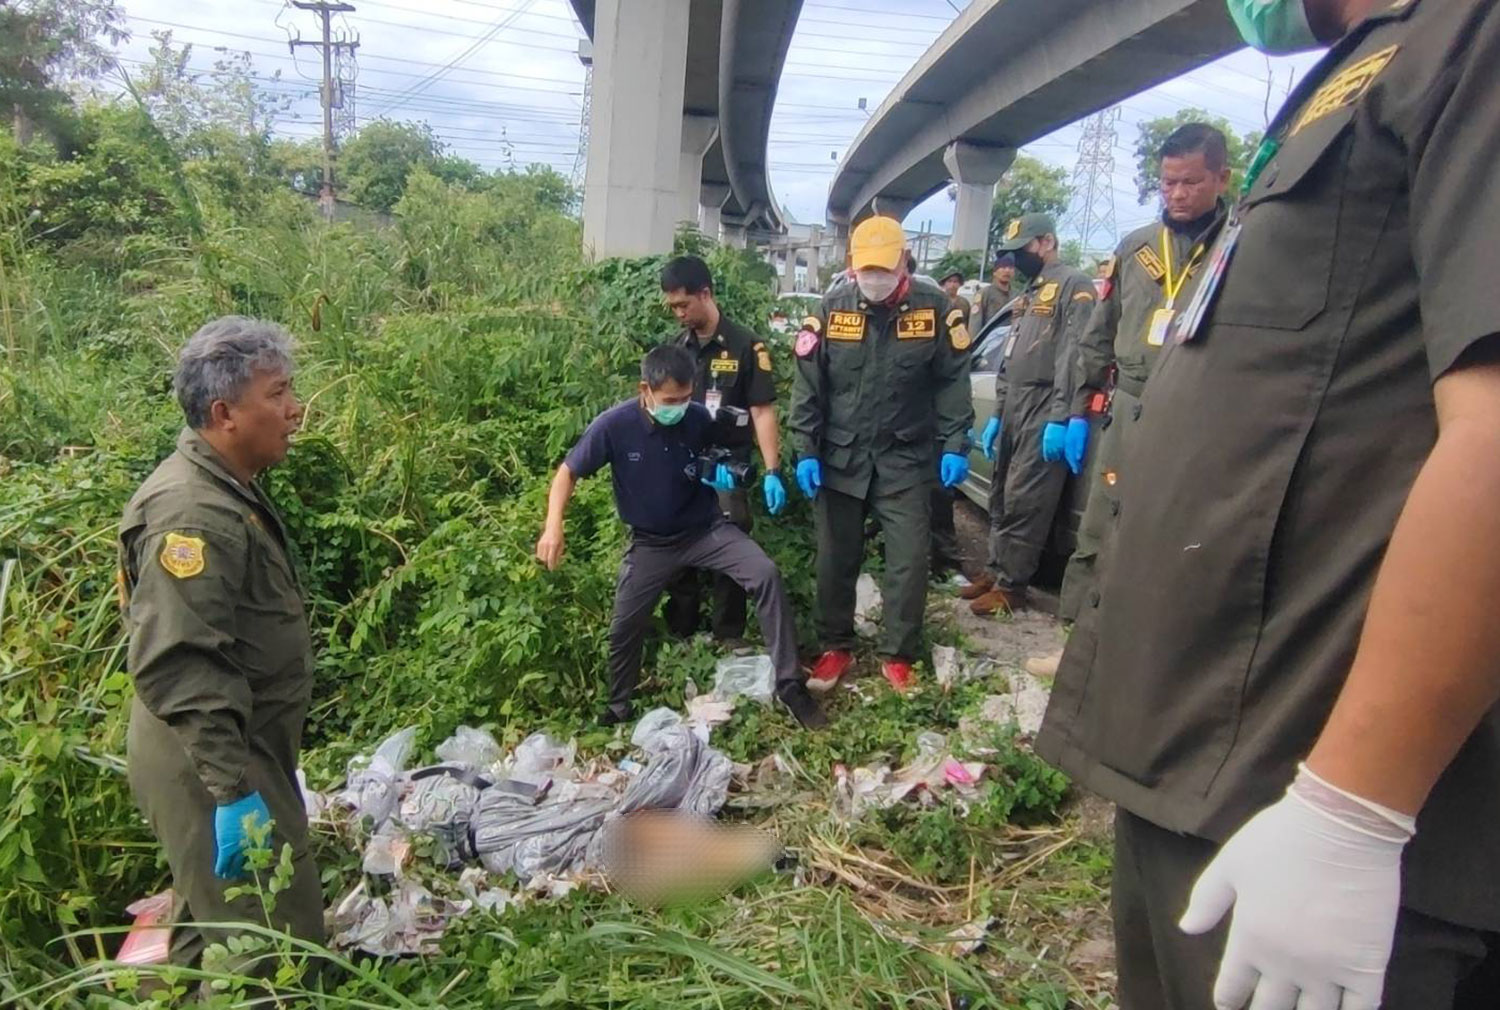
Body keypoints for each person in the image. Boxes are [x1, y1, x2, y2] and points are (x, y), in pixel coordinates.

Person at [1036, 1, 1500, 1007]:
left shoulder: (1472, 41)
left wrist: (1355, 805)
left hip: (1312, 789)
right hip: (1205, 770)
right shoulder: (1370, 67)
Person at [119, 316, 323, 971]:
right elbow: (180, 661)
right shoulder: (193, 516)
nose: (294, 410)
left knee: (216, 927)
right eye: (278, 394)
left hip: (233, 743)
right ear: (224, 413)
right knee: (269, 948)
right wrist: (234, 791)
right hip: (211, 755)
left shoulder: (222, 490)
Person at [536, 345, 825, 730]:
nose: (679, 406)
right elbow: (566, 473)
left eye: (686, 397)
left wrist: (722, 470)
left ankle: (791, 685)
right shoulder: (615, 425)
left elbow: (719, 454)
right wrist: (554, 525)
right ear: (646, 389)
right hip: (652, 543)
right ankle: (618, 706)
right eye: (671, 399)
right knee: (625, 624)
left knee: (765, 573)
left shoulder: (696, 418)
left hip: (705, 530)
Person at [1049, 123, 1230, 635]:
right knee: (1100, 524)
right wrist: (1076, 411)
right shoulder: (1137, 248)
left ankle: (1144, 649)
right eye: (1167, 183)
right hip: (1129, 407)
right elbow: (1097, 335)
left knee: (1172, 536)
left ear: (1222, 178)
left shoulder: (1240, 244)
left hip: (1198, 411)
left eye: (1190, 182)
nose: (1176, 194)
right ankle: (1073, 641)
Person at [789, 215, 973, 693]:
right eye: (864, 269)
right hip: (840, 458)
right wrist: (805, 449)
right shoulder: (832, 308)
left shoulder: (935, 310)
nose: (873, 278)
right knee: (835, 558)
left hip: (905, 458)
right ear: (852, 265)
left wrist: (956, 443)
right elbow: (808, 386)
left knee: (910, 559)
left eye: (882, 269)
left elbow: (953, 381)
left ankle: (899, 654)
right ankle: (834, 646)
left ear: (903, 262)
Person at [964, 214, 1096, 615]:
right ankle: (994, 568)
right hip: (1016, 402)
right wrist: (998, 413)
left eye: (1023, 250)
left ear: (1047, 242)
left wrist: (1062, 415)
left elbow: (1075, 355)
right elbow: (1008, 357)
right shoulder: (1028, 293)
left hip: (1045, 404)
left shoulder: (1074, 285)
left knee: (1026, 498)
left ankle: (1011, 587)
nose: (1017, 259)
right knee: (1002, 493)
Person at [657, 256, 787, 644]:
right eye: (673, 307)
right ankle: (683, 634)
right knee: (678, 550)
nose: (679, 314)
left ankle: (727, 636)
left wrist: (773, 470)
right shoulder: (677, 349)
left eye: (684, 305)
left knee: (730, 550)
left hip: (728, 466)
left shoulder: (747, 345)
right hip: (684, 465)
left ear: (705, 294)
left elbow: (762, 410)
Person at [972, 252, 1016, 332]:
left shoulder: (1017, 295)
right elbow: (975, 323)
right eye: (1003, 267)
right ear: (994, 272)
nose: (1007, 271)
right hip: (989, 341)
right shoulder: (984, 293)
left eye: (1010, 268)